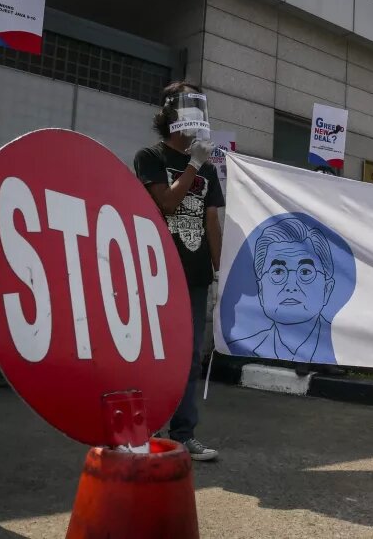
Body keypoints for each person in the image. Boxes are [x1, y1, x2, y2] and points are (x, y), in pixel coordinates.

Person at [134, 82, 223, 462]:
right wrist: (192, 166)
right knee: (155, 352)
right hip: (158, 270)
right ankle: (146, 429)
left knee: (189, 357)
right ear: (170, 115)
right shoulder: (149, 157)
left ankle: (184, 433)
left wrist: (222, 272)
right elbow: (167, 204)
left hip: (195, 273)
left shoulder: (207, 167)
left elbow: (211, 222)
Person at [227, 217, 338, 366]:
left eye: (305, 272)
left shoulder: (344, 349)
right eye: (278, 271)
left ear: (327, 288)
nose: (291, 286)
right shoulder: (244, 348)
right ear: (260, 288)